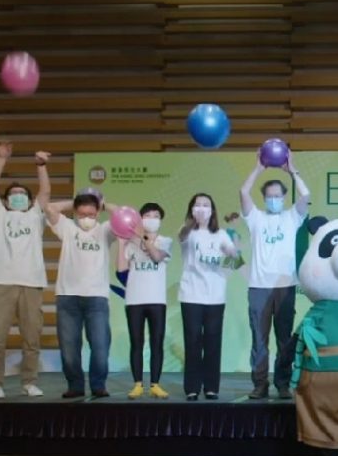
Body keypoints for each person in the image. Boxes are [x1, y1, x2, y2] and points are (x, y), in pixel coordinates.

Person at [240, 152, 310, 399]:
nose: (273, 200)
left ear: (283, 197)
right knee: (259, 340)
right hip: (259, 287)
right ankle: (260, 384)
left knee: (283, 340)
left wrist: (292, 171)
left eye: (277, 196)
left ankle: (282, 383)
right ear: (264, 199)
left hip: (285, 287)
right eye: (269, 197)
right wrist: (259, 169)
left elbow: (306, 196)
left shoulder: (292, 217)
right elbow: (243, 193)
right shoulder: (255, 218)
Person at [0, 142, 49, 399]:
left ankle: (29, 381)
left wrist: (41, 166)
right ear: (7, 200)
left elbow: (45, 193)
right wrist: (1, 160)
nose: (18, 196)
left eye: (23, 193)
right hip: (1, 281)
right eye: (14, 194)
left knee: (32, 337)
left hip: (31, 282)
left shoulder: (35, 215)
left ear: (29, 200)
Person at [45, 189, 116, 399]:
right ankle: (75, 385)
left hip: (97, 297)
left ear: (98, 213)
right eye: (82, 214)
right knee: (69, 347)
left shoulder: (105, 230)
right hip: (68, 296)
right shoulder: (67, 228)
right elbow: (50, 208)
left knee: (101, 345)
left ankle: (98, 385)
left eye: (92, 214)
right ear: (75, 213)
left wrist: (103, 203)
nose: (87, 219)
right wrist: (75, 201)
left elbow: (125, 214)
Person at [179, 193, 238, 401]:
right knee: (193, 342)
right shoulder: (187, 232)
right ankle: (192, 388)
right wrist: (192, 222)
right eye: (198, 205)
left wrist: (233, 247)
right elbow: (182, 237)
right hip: (191, 295)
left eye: (206, 205)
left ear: (212, 210)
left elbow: (235, 259)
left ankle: (211, 387)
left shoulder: (221, 234)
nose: (202, 208)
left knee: (213, 343)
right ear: (192, 209)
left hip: (215, 296)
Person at [118, 203, 172, 400]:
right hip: (134, 299)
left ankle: (155, 385)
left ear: (160, 220)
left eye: (156, 216)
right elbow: (121, 270)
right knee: (136, 343)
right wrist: (122, 243)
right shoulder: (131, 243)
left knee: (157, 342)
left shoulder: (165, 241)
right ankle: (138, 384)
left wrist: (144, 238)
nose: (151, 219)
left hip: (157, 299)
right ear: (140, 219)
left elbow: (157, 257)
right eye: (147, 215)